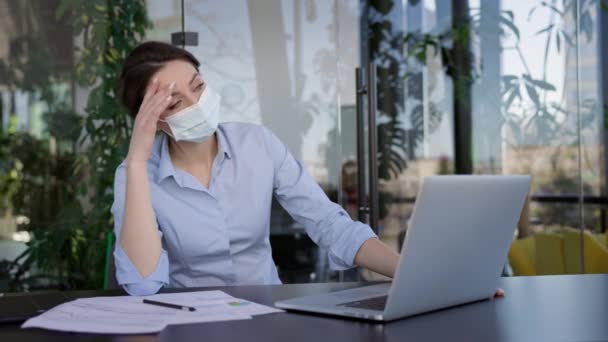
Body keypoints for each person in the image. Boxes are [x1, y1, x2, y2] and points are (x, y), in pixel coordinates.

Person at [112, 41, 504, 298]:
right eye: (174, 102)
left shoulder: (258, 145)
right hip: (188, 328)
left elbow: (331, 226)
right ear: (152, 119)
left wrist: (419, 276)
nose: (196, 103)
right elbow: (143, 283)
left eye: (197, 86)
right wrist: (137, 159)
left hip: (266, 318)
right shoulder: (135, 175)